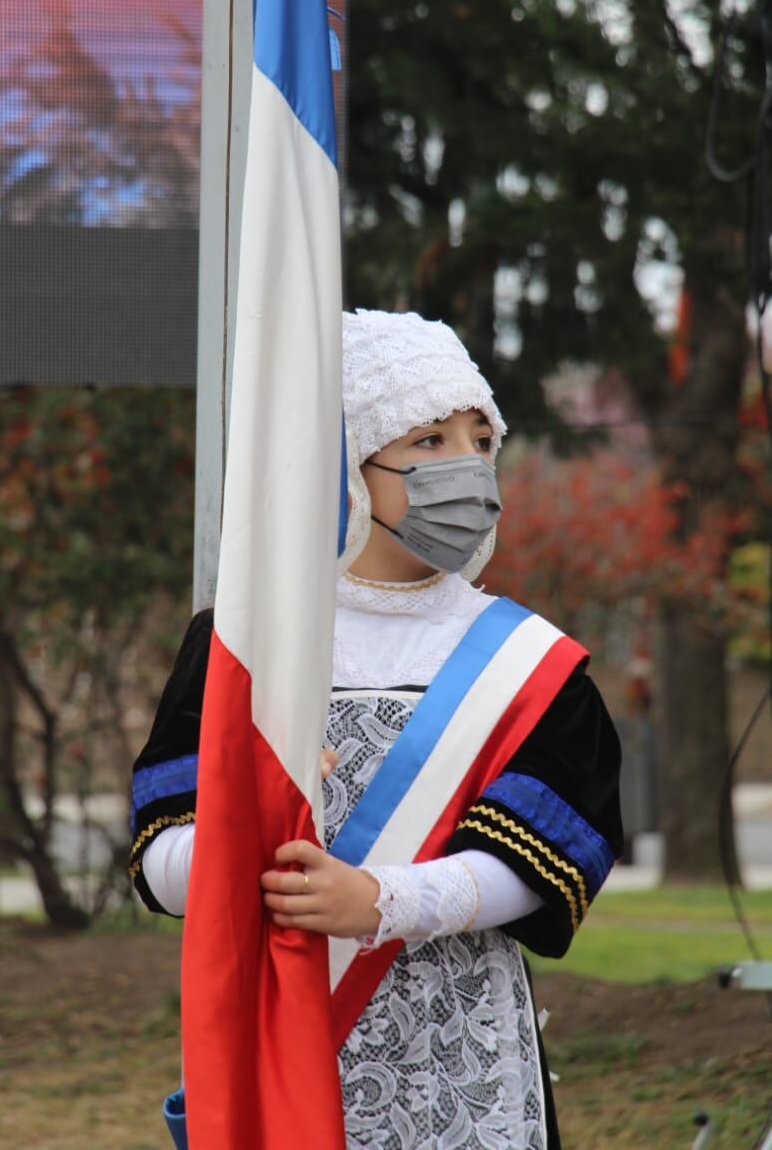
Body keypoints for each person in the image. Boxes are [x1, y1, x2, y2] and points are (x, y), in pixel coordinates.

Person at [129, 308, 623, 1150]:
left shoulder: (530, 660)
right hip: (285, 1034)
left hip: (462, 1050)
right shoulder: (242, 644)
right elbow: (158, 858)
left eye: (478, 440)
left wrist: (381, 901)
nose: (464, 467)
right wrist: (233, 833)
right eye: (427, 442)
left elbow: (540, 868)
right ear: (345, 470)